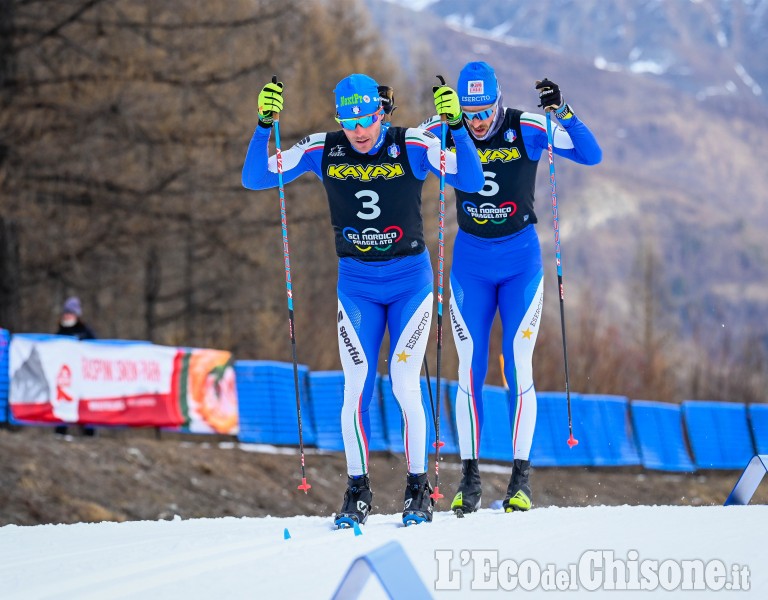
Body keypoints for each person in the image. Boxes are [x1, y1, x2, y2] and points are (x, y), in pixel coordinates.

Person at [242, 73, 484, 527]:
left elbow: (469, 179)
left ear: (381, 112)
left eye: (366, 119)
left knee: (403, 382)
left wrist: (456, 129)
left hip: (410, 283)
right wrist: (262, 123)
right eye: (348, 119)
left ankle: (417, 490)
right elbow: (256, 177)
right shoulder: (323, 148)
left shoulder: (411, 143)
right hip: (355, 287)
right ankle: (357, 490)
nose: (358, 130)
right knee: (356, 389)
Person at [421, 62, 602, 515]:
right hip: (470, 266)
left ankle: (521, 478)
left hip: (520, 262)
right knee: (469, 369)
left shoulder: (527, 126)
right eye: (469, 111)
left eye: (484, 110)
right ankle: (470, 477)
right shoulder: (449, 127)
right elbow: (398, 144)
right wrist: (389, 113)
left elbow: (590, 153)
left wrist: (563, 110)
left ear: (499, 102)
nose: (477, 120)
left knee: (518, 364)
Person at [54, 296, 97, 436]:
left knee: (84, 403)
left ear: (77, 315)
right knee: (63, 402)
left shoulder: (85, 331)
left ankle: (89, 431)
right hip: (65, 375)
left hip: (81, 374)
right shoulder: (60, 331)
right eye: (65, 313)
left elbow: (95, 348)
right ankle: (60, 430)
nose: (67, 316)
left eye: (70, 313)